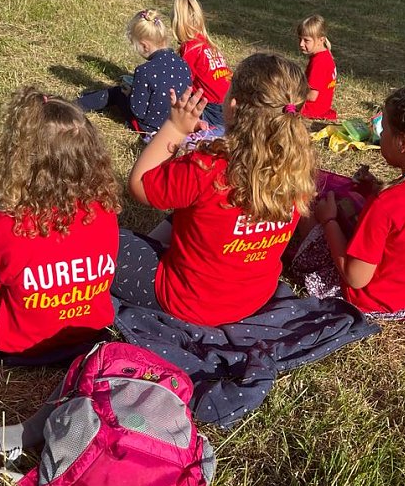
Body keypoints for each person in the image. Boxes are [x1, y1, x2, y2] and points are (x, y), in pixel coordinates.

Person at [114, 53, 317, 326]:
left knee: (105, 242)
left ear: (232, 105)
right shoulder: (298, 166)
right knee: (201, 213)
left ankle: (152, 253)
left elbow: (139, 185)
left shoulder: (208, 167)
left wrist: (174, 128)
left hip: (190, 301)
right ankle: (156, 247)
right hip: (252, 297)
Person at [0, 87, 122, 356]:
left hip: (18, 339)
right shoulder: (106, 211)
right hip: (87, 328)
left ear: (20, 159)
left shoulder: (3, 228)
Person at [311, 86, 405, 314]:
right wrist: (373, 188)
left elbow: (355, 278)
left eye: (384, 128)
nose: (380, 134)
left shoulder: (387, 203)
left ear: (402, 143)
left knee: (309, 214)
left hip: (372, 300)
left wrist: (328, 221)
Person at [76, 9, 192, 133]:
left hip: (149, 127)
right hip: (175, 124)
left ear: (144, 46)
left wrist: (130, 94)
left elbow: (138, 111)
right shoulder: (183, 64)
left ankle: (76, 105)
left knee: (116, 93)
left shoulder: (145, 71)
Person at [171, 0, 232, 128]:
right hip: (231, 102)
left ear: (176, 22)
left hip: (214, 109)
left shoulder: (190, 49)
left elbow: (182, 84)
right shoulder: (208, 45)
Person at [297, 14, 337, 121]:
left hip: (311, 110)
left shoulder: (319, 62)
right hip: (322, 107)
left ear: (321, 40)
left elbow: (312, 96)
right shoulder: (325, 56)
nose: (301, 44)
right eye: (299, 39)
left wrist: (293, 95)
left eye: (306, 40)